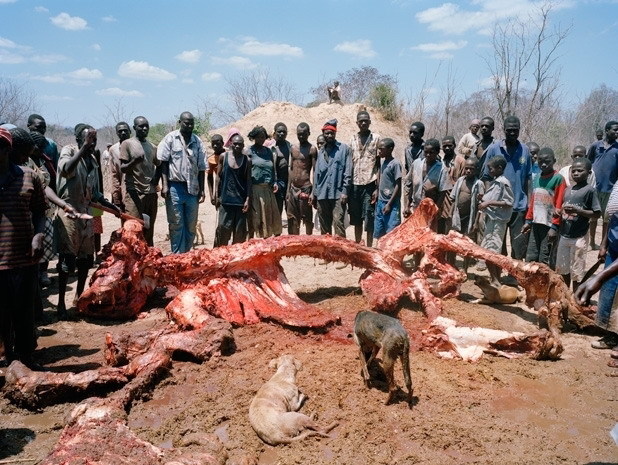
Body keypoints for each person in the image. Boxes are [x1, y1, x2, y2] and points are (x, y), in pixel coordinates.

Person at [55, 124, 119, 319]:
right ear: (79, 139)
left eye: (94, 139)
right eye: (89, 139)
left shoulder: (93, 159)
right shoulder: (70, 151)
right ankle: (60, 306)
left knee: (85, 259)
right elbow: (66, 169)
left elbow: (96, 192)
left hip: (86, 212)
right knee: (67, 260)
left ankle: (79, 298)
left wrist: (111, 205)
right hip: (69, 211)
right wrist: (83, 148)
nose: (93, 143)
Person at [0, 128, 47, 368]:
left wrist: (38, 234)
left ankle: (27, 359)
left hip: (24, 257)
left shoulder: (29, 176)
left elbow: (40, 209)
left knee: (23, 313)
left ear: (8, 150)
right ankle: (8, 359)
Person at [481, 116, 532, 260]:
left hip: (518, 205)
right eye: (509, 130)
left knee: (518, 244)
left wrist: (529, 203)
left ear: (519, 130)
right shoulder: (493, 148)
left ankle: (514, 276)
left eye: (515, 130)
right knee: (497, 244)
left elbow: (528, 179)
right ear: (503, 130)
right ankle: (497, 277)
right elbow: (486, 177)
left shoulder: (525, 151)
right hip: (498, 207)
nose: (512, 133)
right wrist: (488, 199)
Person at [157, 112, 206, 253]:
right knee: (176, 224)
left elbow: (202, 168)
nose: (189, 125)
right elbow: (163, 163)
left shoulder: (198, 141)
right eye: (186, 123)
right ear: (180, 122)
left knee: (191, 225)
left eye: (191, 123)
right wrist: (165, 185)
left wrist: (202, 189)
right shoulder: (171, 138)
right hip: (174, 187)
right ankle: (177, 256)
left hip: (192, 188)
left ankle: (186, 254)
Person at [555, 158, 600, 290]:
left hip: (579, 236)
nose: (575, 173)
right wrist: (559, 212)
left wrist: (579, 211)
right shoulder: (568, 190)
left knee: (577, 270)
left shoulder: (589, 190)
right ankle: (564, 295)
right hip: (564, 234)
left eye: (580, 171)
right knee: (562, 268)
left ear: (589, 173)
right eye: (573, 171)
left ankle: (575, 296)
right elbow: (564, 209)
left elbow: (596, 214)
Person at [120, 116, 160, 246]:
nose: (144, 128)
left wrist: (156, 179)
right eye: (141, 126)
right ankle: (132, 262)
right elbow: (123, 168)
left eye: (146, 126)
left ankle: (148, 261)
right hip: (134, 193)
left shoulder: (152, 146)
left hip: (151, 193)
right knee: (133, 229)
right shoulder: (127, 144)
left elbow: (160, 165)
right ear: (134, 128)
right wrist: (134, 161)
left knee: (149, 229)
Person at [521, 147, 566, 265]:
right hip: (536, 223)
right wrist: (528, 221)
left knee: (544, 257)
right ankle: (531, 282)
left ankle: (543, 283)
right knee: (531, 254)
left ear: (554, 161)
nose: (544, 164)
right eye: (540, 161)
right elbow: (533, 203)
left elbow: (559, 205)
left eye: (547, 161)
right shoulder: (537, 178)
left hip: (549, 225)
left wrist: (554, 227)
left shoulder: (558, 179)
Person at [478, 155, 514, 285]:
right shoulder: (496, 181)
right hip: (491, 220)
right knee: (487, 250)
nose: (489, 171)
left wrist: (488, 203)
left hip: (498, 221)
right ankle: (493, 278)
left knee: (493, 250)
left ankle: (496, 280)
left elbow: (509, 202)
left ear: (499, 168)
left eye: (491, 169)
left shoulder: (503, 182)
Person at [312, 119, 351, 237]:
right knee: (324, 227)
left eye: (332, 133)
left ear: (335, 133)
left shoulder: (344, 149)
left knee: (338, 223)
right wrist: (314, 194)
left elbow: (348, 172)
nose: (329, 135)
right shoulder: (321, 151)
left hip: (338, 194)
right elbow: (317, 174)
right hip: (322, 194)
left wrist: (345, 191)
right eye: (327, 133)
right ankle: (327, 255)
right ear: (323, 134)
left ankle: (341, 254)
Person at [349, 110, 380, 247]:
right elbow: (349, 163)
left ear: (369, 122)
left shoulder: (376, 139)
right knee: (356, 219)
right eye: (360, 121)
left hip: (370, 183)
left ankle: (368, 248)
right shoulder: (352, 139)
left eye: (365, 121)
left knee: (369, 217)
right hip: (355, 184)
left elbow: (379, 165)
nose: (363, 123)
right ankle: (357, 247)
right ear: (357, 123)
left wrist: (377, 188)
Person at [214, 134, 251, 246]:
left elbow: (249, 181)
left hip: (240, 203)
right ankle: (220, 259)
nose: (237, 146)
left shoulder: (247, 160)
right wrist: (216, 194)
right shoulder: (223, 157)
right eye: (235, 144)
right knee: (222, 231)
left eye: (240, 144)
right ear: (230, 144)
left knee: (239, 235)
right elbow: (218, 177)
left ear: (243, 145)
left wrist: (248, 199)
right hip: (225, 202)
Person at [404, 138, 448, 230]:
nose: (428, 155)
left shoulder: (442, 169)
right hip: (415, 207)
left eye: (431, 152)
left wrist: (436, 210)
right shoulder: (416, 164)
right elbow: (410, 185)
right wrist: (407, 205)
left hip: (430, 210)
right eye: (426, 152)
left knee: (427, 236)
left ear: (437, 153)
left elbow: (442, 192)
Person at [247, 125, 282, 238]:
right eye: (259, 137)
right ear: (254, 137)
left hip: (268, 189)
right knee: (256, 218)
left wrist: (275, 181)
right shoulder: (248, 151)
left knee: (269, 217)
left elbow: (273, 169)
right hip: (255, 189)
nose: (261, 139)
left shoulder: (268, 151)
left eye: (263, 137)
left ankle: (267, 244)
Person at [588, 121, 618, 250]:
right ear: (606, 130)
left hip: (610, 189)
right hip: (595, 188)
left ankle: (603, 244)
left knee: (607, 218)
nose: (617, 133)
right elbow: (587, 163)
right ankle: (591, 242)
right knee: (593, 217)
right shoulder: (595, 146)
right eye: (615, 130)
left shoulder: (617, 148)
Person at [287, 123, 317, 235]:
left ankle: (308, 244)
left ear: (308, 133)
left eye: (304, 134)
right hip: (293, 188)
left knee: (307, 218)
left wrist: (313, 192)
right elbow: (290, 169)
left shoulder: (312, 149)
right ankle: (294, 245)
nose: (301, 136)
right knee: (292, 218)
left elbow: (315, 171)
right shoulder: (293, 148)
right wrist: (288, 191)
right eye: (299, 134)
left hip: (305, 188)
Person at [373, 138, 401, 240]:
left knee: (391, 233)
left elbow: (398, 185)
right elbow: (380, 180)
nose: (379, 151)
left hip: (391, 203)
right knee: (380, 232)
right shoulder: (382, 163)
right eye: (378, 149)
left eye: (382, 149)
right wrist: (377, 190)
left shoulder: (395, 164)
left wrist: (389, 203)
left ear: (390, 149)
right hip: (381, 201)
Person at [108, 122, 132, 212]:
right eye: (120, 131)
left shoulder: (138, 146)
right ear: (117, 133)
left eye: (125, 131)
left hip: (141, 191)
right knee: (128, 222)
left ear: (130, 131)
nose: (123, 133)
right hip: (125, 191)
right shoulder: (113, 150)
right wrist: (116, 197)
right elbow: (114, 174)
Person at [403, 122, 425, 211]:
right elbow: (407, 167)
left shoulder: (427, 149)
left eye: (415, 133)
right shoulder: (407, 149)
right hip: (409, 186)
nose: (411, 135)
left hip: (422, 187)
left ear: (422, 134)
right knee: (407, 214)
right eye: (410, 132)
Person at [271, 122, 291, 217]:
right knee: (277, 210)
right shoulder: (271, 149)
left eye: (284, 132)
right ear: (274, 133)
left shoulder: (290, 147)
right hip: (277, 182)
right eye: (279, 132)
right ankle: (277, 231)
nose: (281, 134)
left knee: (290, 209)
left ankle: (292, 231)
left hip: (289, 182)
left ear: (287, 133)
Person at [207, 134, 225, 206]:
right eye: (213, 144)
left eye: (217, 144)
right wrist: (212, 195)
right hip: (218, 188)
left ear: (223, 144)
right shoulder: (210, 159)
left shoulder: (229, 155)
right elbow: (209, 177)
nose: (215, 146)